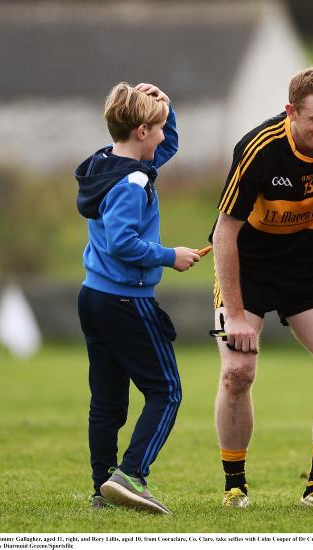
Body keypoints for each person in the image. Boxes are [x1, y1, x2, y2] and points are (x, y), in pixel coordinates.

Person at [210, 67, 313, 508]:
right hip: (247, 270)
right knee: (237, 372)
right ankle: (235, 487)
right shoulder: (259, 149)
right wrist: (235, 315)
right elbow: (224, 233)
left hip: (305, 270)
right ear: (291, 111)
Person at [75, 82, 201, 514]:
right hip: (126, 301)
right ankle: (130, 475)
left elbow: (167, 146)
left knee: (106, 401)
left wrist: (167, 106)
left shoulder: (106, 164)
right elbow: (122, 243)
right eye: (159, 128)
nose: (165, 137)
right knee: (167, 391)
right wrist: (170, 256)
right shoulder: (132, 182)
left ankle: (103, 488)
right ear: (142, 131)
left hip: (94, 296)